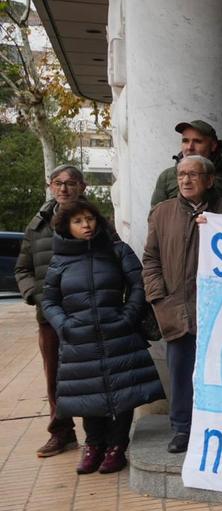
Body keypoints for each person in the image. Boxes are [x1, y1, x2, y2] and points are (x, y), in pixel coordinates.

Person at [40, 200, 164, 474]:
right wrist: (65, 326)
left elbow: (139, 284)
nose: (86, 225)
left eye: (90, 218)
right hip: (79, 339)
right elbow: (48, 301)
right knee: (89, 393)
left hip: (117, 333)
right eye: (78, 221)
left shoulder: (117, 250)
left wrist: (128, 316)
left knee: (123, 391)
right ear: (66, 227)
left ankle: (117, 447)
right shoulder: (59, 261)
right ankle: (93, 445)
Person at [143, 155, 222, 453]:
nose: (185, 180)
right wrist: (158, 297)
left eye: (193, 175)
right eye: (181, 175)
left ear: (209, 180)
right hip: (177, 307)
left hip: (220, 311)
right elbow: (151, 259)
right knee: (181, 371)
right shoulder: (162, 213)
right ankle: (183, 429)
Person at [15, 165, 96, 457]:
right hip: (49, 318)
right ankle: (61, 432)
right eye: (57, 183)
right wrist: (37, 297)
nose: (63, 188)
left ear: (82, 187)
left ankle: (97, 437)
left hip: (86, 315)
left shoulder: (93, 221)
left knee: (90, 376)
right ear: (50, 186)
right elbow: (23, 269)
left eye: (70, 183)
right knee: (55, 377)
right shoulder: (37, 225)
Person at [150, 119, 222, 206]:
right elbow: (156, 216)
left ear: (213, 146)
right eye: (185, 141)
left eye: (197, 141)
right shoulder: (167, 176)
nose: (190, 147)